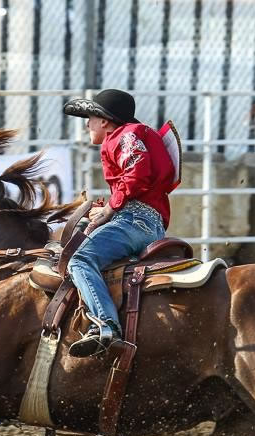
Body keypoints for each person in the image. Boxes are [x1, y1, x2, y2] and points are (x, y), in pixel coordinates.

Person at [62, 89, 177, 358]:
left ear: (103, 120)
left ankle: (105, 325)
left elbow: (137, 173)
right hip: (146, 220)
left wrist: (111, 208)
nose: (86, 123)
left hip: (135, 221)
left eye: (89, 117)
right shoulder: (132, 135)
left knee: (79, 260)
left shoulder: (124, 136)